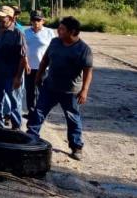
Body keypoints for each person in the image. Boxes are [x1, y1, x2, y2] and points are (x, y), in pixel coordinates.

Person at [26, 16, 93, 161]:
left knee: (72, 118)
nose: (59, 31)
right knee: (38, 113)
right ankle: (30, 138)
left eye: (62, 29)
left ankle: (76, 146)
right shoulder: (55, 42)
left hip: (70, 91)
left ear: (72, 31)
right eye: (59, 28)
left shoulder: (83, 49)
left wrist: (84, 90)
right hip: (50, 87)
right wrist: (39, 75)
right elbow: (45, 59)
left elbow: (88, 71)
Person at [0, 6, 27, 129]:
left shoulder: (18, 33)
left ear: (11, 18)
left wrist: (18, 77)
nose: (0, 19)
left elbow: (23, 57)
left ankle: (16, 128)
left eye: (3, 17)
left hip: (12, 73)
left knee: (14, 102)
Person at [23, 10, 56, 118]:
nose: (36, 22)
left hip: (44, 68)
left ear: (43, 21)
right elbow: (23, 49)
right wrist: (25, 63)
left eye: (38, 20)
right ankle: (31, 112)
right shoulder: (26, 32)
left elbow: (53, 49)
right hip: (29, 67)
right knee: (30, 91)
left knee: (43, 91)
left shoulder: (49, 32)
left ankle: (41, 112)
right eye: (33, 20)